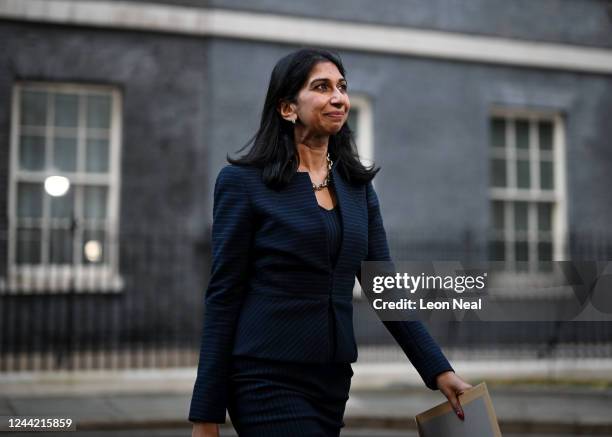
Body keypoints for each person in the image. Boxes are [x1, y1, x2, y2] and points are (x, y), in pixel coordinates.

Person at [189, 48, 471, 437]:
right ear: (288, 108)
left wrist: (440, 371)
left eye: (342, 87)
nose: (338, 97)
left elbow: (383, 287)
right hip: (264, 376)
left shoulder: (358, 189)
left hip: (332, 381)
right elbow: (223, 294)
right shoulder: (244, 184)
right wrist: (206, 414)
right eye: (321, 87)